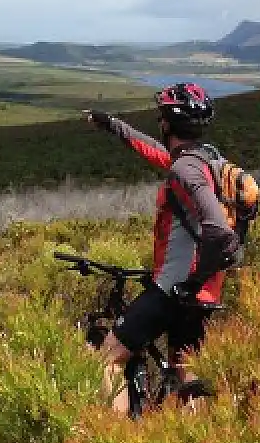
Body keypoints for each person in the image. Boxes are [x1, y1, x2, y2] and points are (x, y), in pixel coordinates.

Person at [83, 83, 243, 413]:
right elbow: (155, 151)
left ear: (167, 123)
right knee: (189, 378)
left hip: (174, 290)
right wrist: (113, 125)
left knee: (108, 360)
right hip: (205, 296)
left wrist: (190, 280)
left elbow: (219, 232)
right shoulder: (209, 162)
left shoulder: (185, 169)